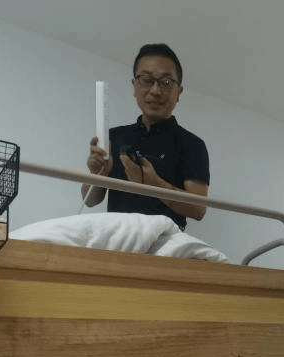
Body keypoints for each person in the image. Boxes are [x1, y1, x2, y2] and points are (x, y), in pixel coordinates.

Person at [83, 43, 209, 230]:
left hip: (166, 240)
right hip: (117, 236)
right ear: (134, 86)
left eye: (166, 82)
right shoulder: (114, 136)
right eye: (146, 79)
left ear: (178, 92)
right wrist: (97, 173)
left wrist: (152, 184)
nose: (155, 91)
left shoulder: (192, 144)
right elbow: (90, 201)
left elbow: (198, 209)